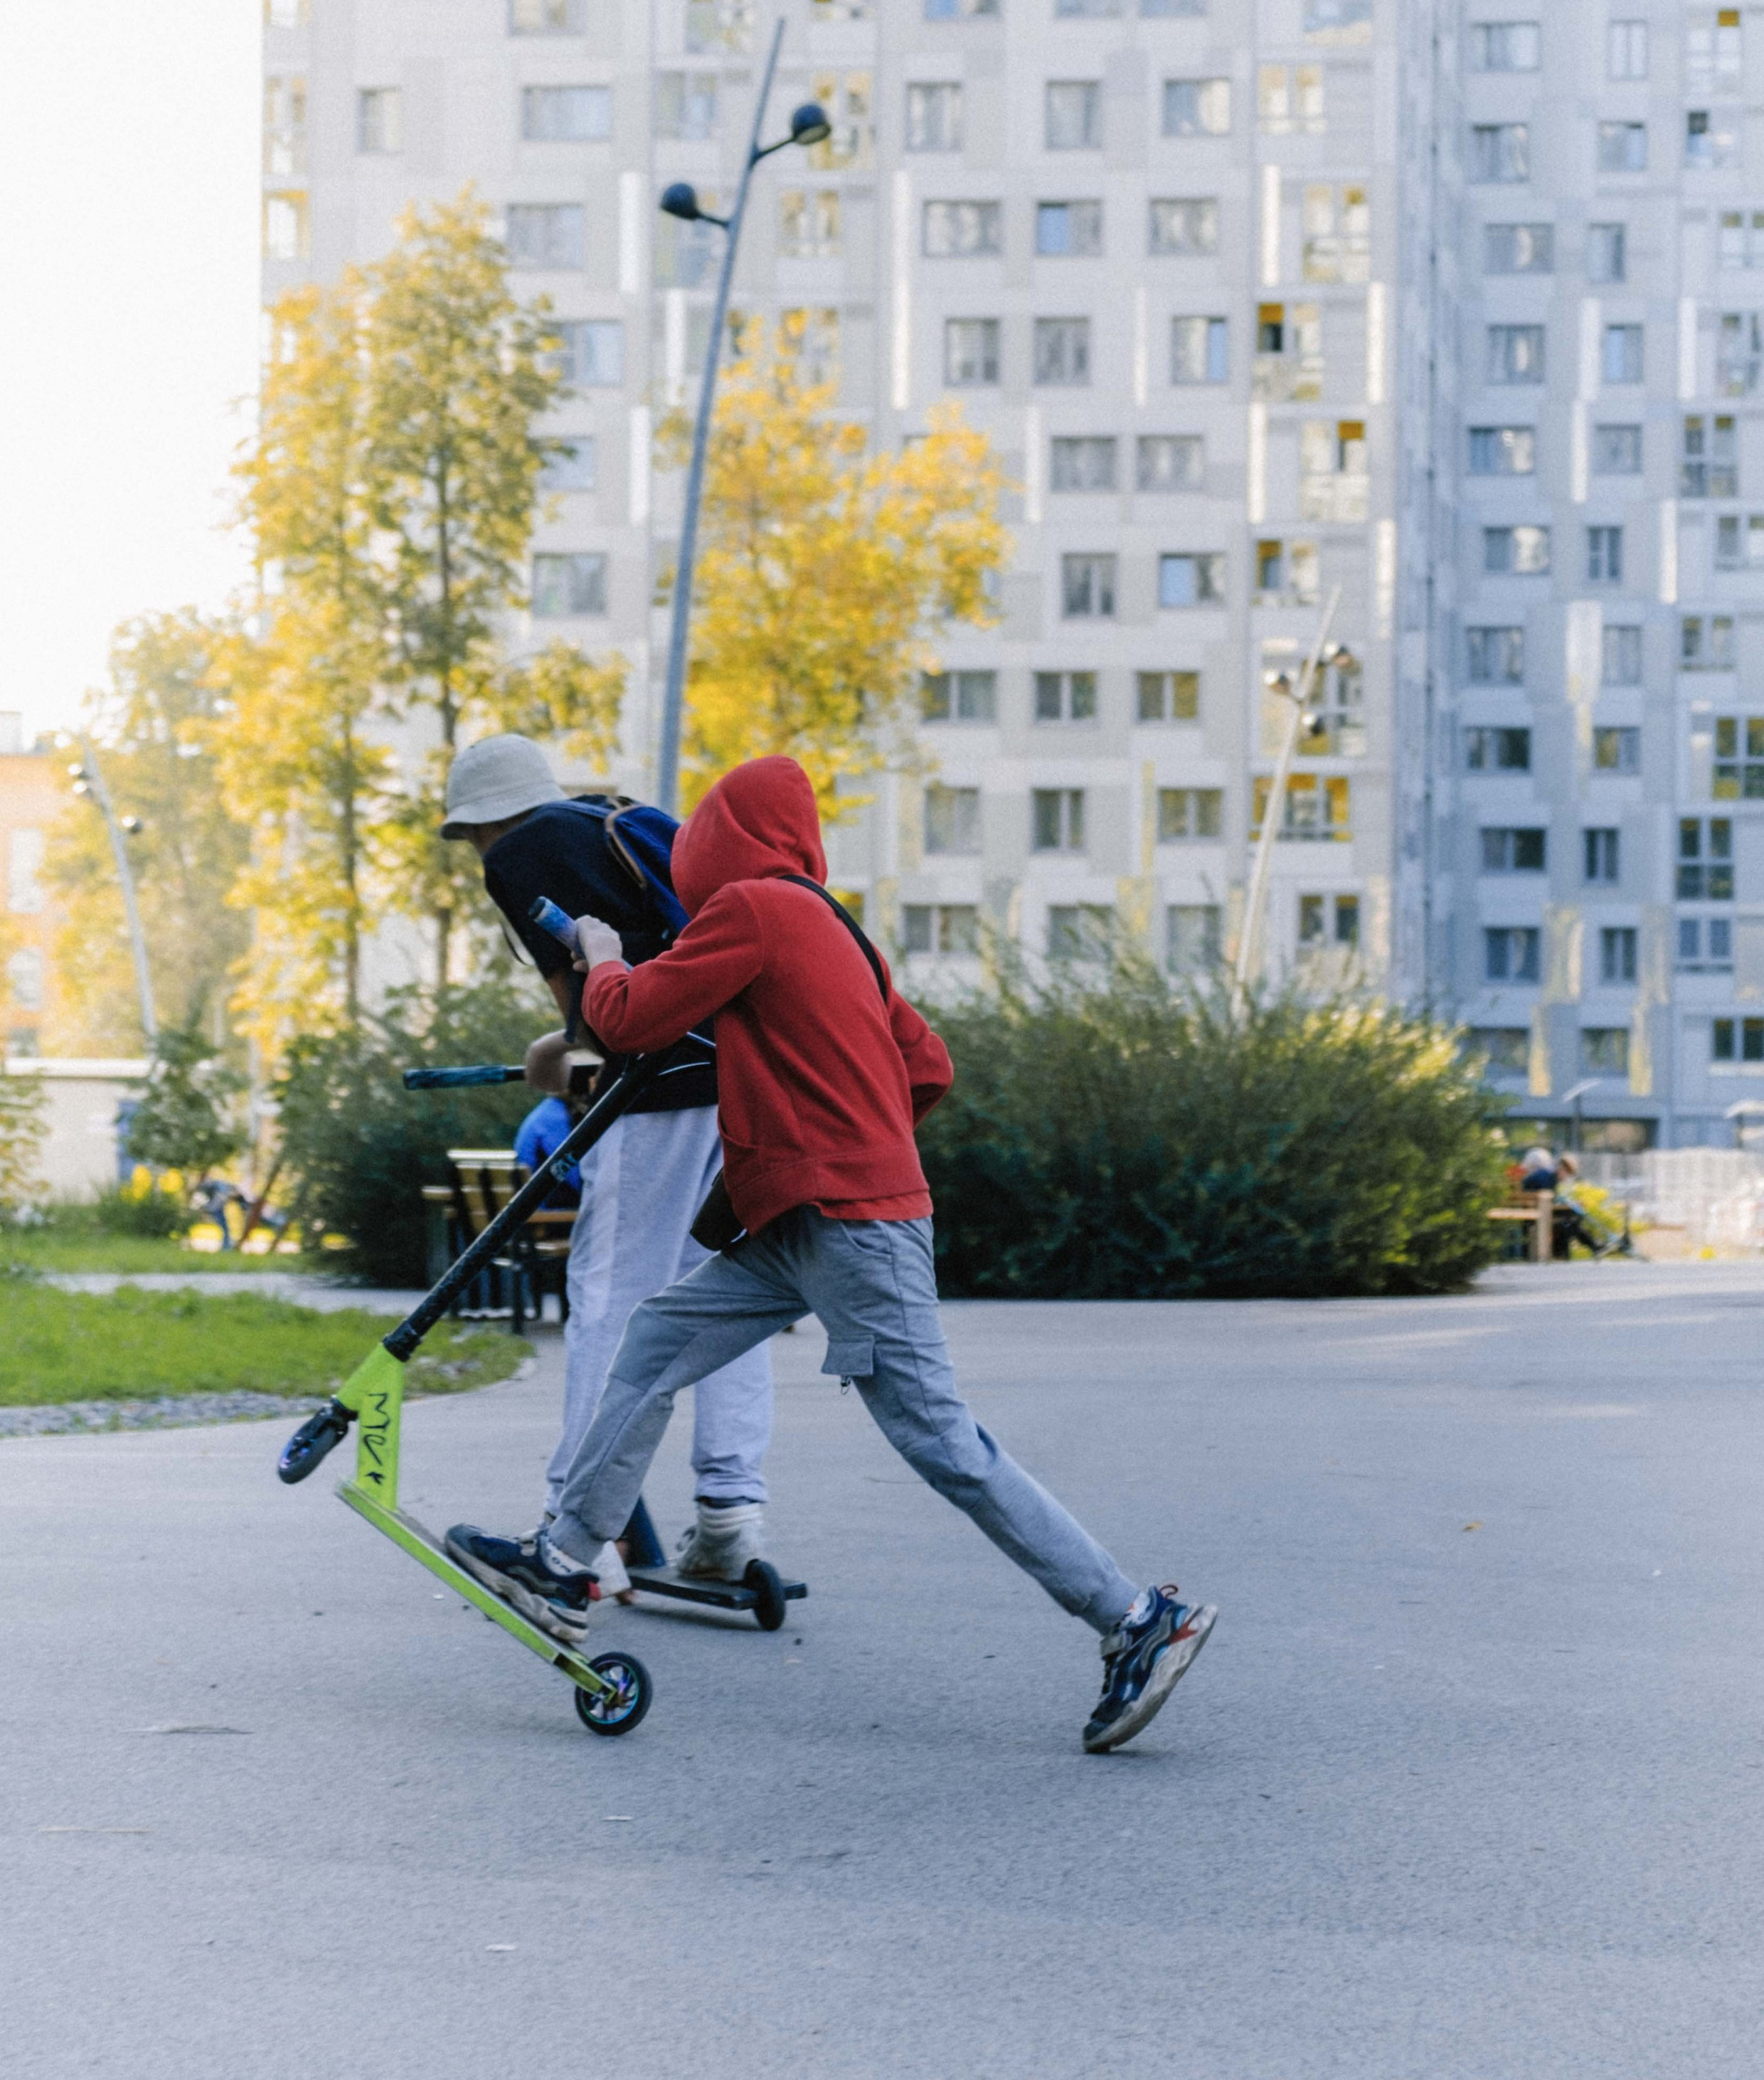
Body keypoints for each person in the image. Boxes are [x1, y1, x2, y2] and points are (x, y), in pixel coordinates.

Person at [466, 752, 1217, 1757]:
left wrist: (602, 951)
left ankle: (1136, 1621)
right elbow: (927, 1062)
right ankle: (562, 1559)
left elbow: (630, 1015)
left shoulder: (751, 908)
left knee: (944, 1443)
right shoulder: (840, 933)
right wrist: (838, 1131)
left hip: (851, 1226)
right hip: (804, 1224)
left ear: (722, 847)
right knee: (655, 1339)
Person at [434, 733, 776, 1605]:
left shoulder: (522, 851)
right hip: (743, 1080)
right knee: (723, 1299)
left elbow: (596, 1018)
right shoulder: (620, 818)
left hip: (660, 1092)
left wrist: (555, 1052)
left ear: (480, 820)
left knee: (608, 1299)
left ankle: (572, 1534)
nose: (476, 851)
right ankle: (732, 1517)